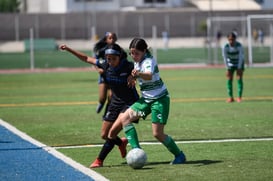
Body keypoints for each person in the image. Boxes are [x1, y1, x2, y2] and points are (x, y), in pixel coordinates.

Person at [59, 43, 139, 168]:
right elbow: (86, 58)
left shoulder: (128, 66)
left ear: (120, 57)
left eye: (114, 58)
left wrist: (134, 75)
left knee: (111, 133)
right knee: (104, 134)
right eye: (108, 58)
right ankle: (121, 143)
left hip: (130, 103)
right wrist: (69, 49)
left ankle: (99, 160)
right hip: (114, 103)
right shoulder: (105, 65)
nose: (111, 61)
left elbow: (142, 68)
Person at [108, 38, 186, 165]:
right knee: (125, 119)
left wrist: (138, 74)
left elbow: (148, 74)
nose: (133, 56)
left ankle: (180, 155)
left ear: (144, 51)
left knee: (157, 133)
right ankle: (136, 150)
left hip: (159, 100)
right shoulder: (138, 61)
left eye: (136, 53)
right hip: (146, 100)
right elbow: (138, 72)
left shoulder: (148, 61)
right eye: (131, 53)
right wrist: (133, 77)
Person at [93, 32, 117, 114]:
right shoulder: (101, 50)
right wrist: (98, 69)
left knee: (111, 97)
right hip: (103, 76)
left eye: (113, 38)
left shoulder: (118, 49)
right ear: (106, 39)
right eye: (110, 38)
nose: (112, 40)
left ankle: (107, 114)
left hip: (114, 77)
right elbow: (94, 61)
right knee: (102, 98)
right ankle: (101, 103)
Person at [222, 32, 245, 103]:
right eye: (229, 40)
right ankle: (230, 97)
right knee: (229, 79)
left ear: (235, 39)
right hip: (230, 64)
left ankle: (239, 97)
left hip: (239, 63)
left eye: (232, 39)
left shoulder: (239, 46)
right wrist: (227, 68)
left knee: (239, 78)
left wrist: (239, 68)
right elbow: (225, 58)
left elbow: (241, 57)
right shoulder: (225, 47)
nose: (231, 41)